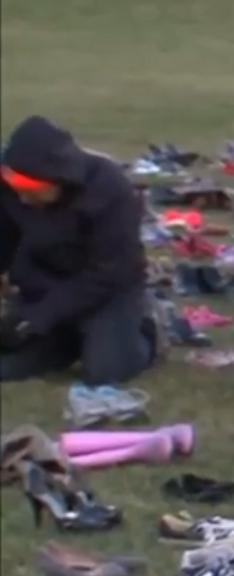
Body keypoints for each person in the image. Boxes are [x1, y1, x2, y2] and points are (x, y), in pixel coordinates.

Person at [0, 116, 156, 386]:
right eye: (16, 189)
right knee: (9, 362)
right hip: (42, 281)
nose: (22, 198)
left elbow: (110, 273)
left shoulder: (110, 189)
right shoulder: (10, 184)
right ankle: (67, 341)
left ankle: (146, 331)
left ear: (59, 178)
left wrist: (40, 317)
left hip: (105, 290)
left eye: (30, 190)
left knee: (106, 371)